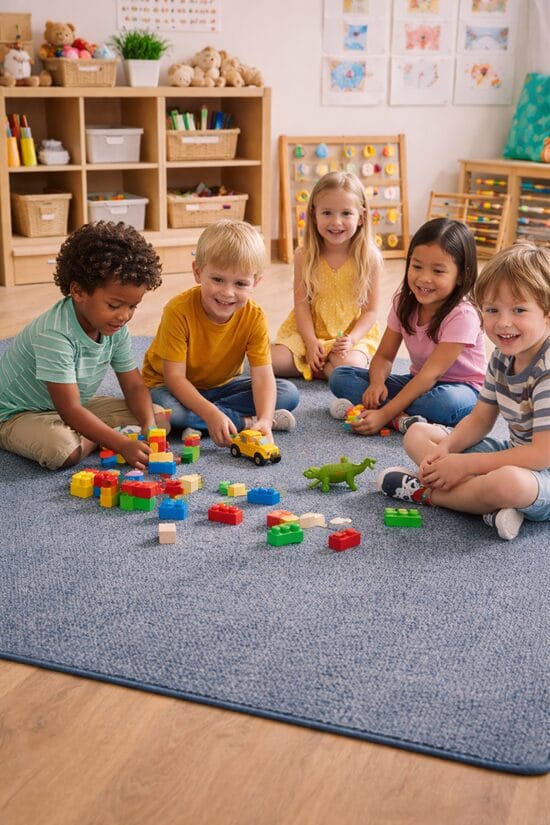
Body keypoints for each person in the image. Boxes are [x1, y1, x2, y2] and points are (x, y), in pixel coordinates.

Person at [377, 242, 550, 541]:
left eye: (519, 310)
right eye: (492, 310)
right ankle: (487, 507)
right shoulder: (501, 356)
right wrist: (446, 453)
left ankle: (430, 495)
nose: (503, 322)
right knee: (418, 434)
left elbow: (541, 454)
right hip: (515, 455)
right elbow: (480, 419)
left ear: (547, 314)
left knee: (509, 483)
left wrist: (464, 465)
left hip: (538, 471)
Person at [0, 221, 168, 470]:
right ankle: (97, 436)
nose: (124, 316)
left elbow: (133, 385)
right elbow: (69, 410)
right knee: (62, 450)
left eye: (133, 306)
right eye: (114, 305)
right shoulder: (54, 334)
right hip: (20, 414)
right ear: (78, 291)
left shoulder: (115, 326)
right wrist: (122, 444)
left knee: (160, 418)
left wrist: (149, 427)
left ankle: (98, 434)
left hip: (76, 403)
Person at [142, 220, 299, 446]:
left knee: (288, 393)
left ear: (256, 282)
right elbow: (174, 378)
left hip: (221, 387)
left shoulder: (255, 317)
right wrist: (211, 414)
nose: (227, 292)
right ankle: (243, 422)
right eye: (217, 279)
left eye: (240, 284)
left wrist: (265, 419)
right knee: (170, 412)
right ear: (197, 271)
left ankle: (209, 422)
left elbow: (263, 376)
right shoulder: (178, 310)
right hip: (169, 386)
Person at [329, 217, 487, 434]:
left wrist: (383, 413)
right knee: (341, 377)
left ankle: (392, 415)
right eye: (417, 266)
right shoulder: (404, 302)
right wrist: (376, 383)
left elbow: (429, 376)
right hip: (418, 384)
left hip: (462, 390)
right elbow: (384, 356)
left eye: (438, 271)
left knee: (442, 404)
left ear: (461, 276)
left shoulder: (463, 314)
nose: (424, 278)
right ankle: (404, 417)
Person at [271, 170, 382, 381]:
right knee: (273, 360)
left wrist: (352, 339)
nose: (336, 222)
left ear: (362, 217)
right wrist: (311, 342)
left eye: (346, 214)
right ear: (313, 215)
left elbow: (371, 311)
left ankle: (325, 368)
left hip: (349, 336)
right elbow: (301, 305)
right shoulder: (304, 255)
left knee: (350, 364)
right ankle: (327, 368)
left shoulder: (370, 258)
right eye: (327, 213)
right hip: (309, 331)